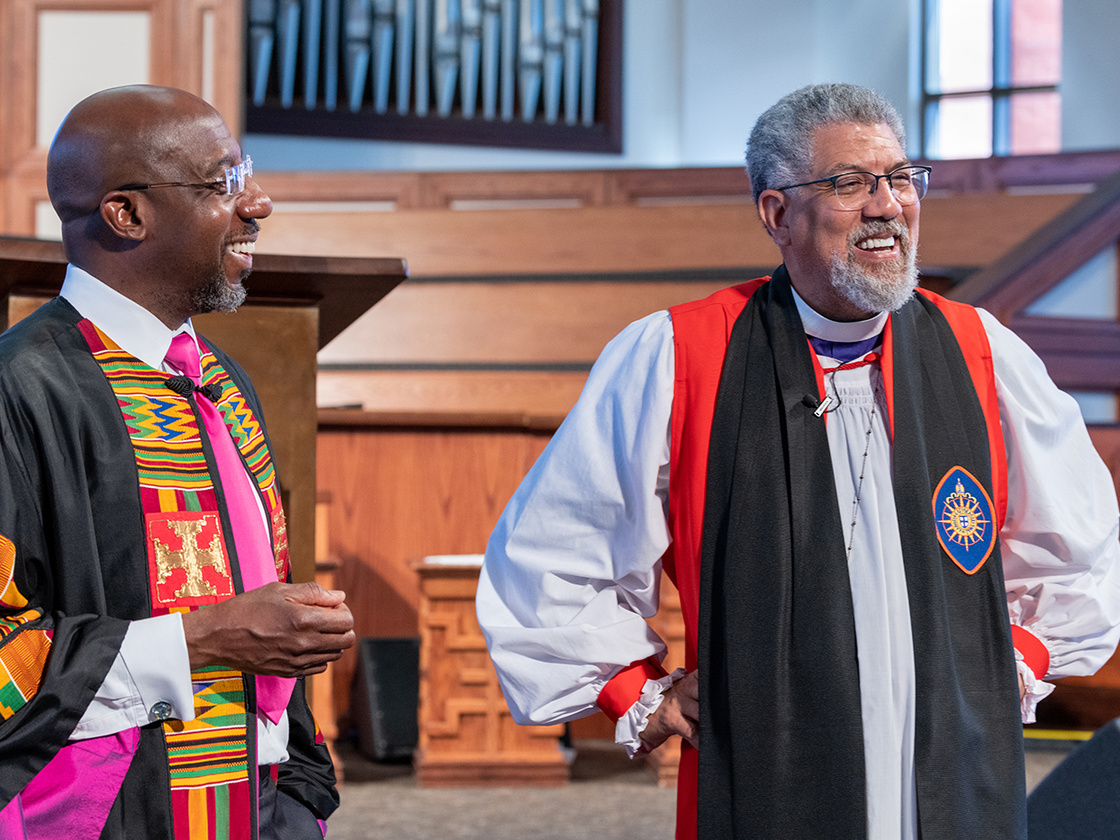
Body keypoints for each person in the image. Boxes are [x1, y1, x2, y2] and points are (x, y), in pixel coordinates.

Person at [476, 82, 1120, 840]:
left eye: (901, 178)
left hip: (954, 755)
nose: (887, 205)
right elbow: (553, 554)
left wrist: (1007, 656)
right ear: (776, 213)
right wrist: (637, 691)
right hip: (769, 755)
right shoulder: (680, 355)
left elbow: (1081, 550)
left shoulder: (982, 352)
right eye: (849, 183)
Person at [0, 85, 356, 838]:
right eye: (224, 182)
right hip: (116, 807)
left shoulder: (220, 381)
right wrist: (202, 638)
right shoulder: (19, 388)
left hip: (260, 798)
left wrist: (294, 793)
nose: (257, 202)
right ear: (127, 214)